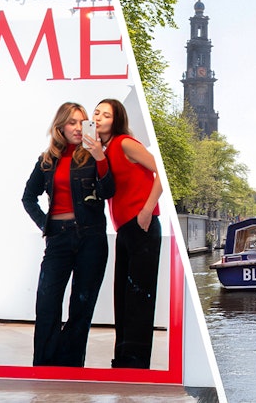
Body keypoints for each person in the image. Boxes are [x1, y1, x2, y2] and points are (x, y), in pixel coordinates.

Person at [21, 102, 114, 367]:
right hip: (58, 239)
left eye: (82, 122)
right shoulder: (47, 160)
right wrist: (46, 226)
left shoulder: (95, 156)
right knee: (47, 302)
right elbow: (28, 197)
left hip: (92, 239)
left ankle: (71, 367)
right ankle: (44, 365)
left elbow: (108, 192)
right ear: (60, 125)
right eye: (71, 122)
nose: (76, 128)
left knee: (81, 308)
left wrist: (99, 157)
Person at [92, 98, 163, 369]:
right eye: (96, 113)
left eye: (105, 115)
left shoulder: (124, 143)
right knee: (123, 296)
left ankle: (135, 362)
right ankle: (123, 359)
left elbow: (159, 171)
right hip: (125, 229)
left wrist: (147, 210)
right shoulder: (106, 151)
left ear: (116, 120)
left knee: (139, 296)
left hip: (141, 225)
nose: (98, 118)